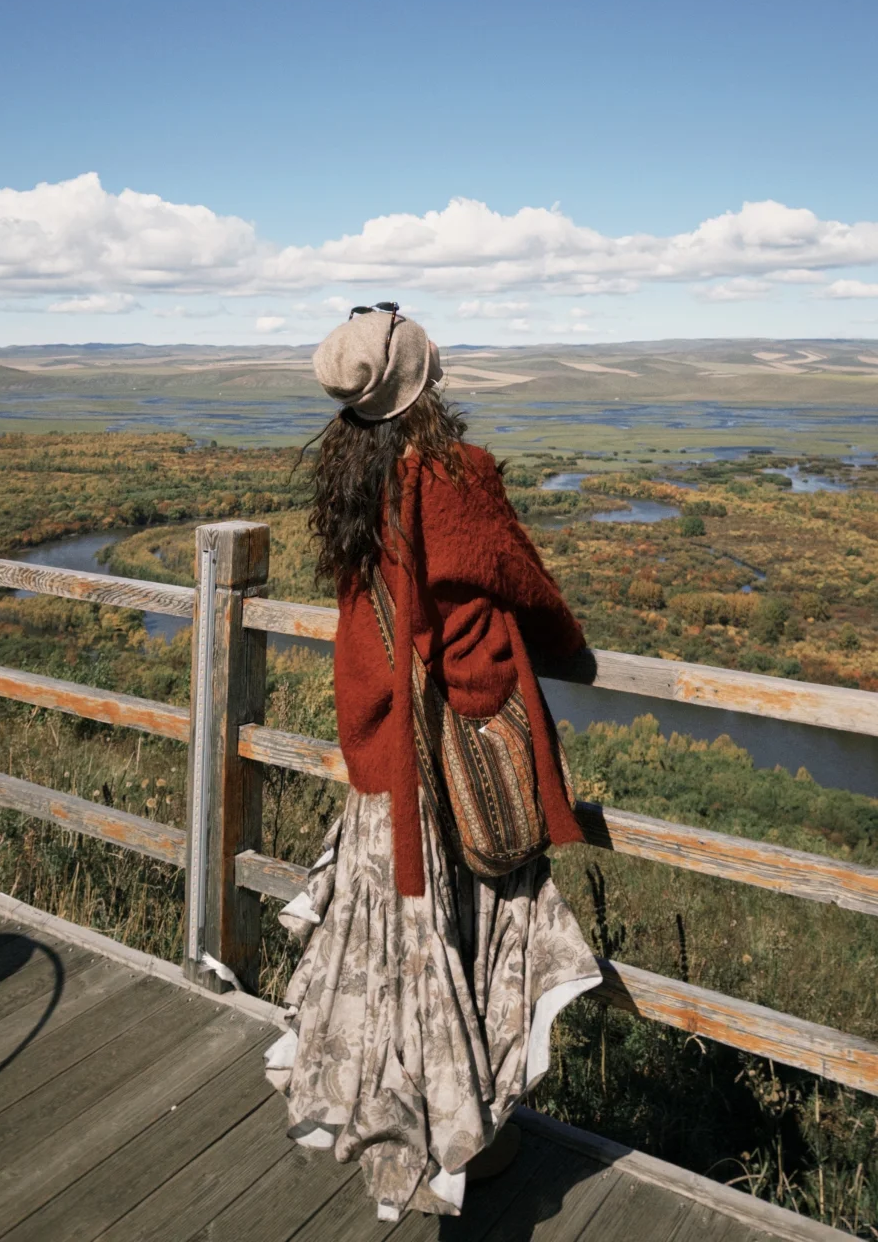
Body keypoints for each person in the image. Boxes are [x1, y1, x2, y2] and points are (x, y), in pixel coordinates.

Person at [264, 305, 601, 1220]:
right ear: (424, 382)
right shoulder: (451, 477)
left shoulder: (351, 479)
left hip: (385, 757)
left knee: (401, 950)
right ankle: (465, 1136)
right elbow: (523, 584)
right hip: (452, 767)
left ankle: (410, 1116)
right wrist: (568, 647)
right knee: (469, 937)